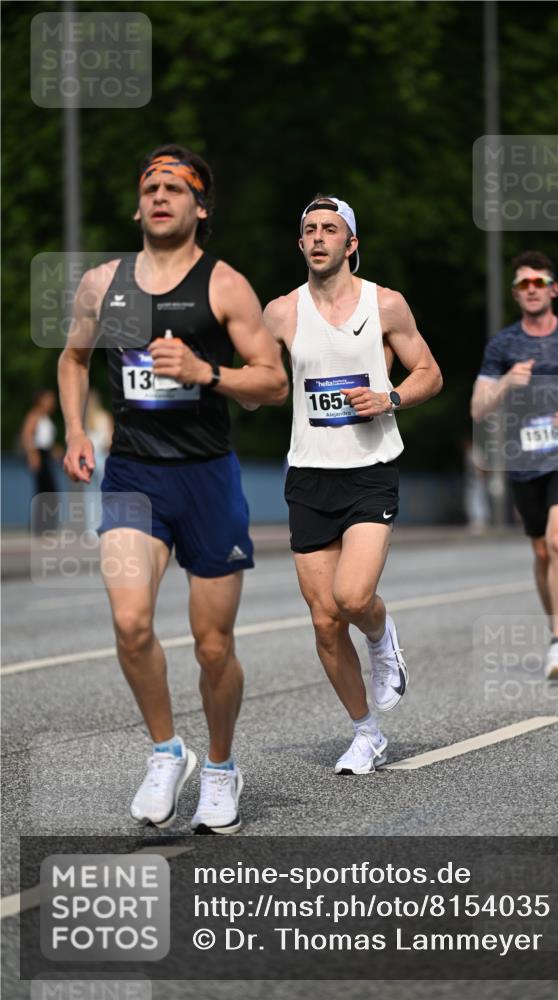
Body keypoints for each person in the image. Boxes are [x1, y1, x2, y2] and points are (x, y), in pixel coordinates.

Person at [58, 144, 288, 833]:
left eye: (176, 187)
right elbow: (72, 359)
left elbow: (272, 381)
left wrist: (203, 372)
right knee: (130, 625)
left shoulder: (225, 286)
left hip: (208, 477)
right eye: (150, 186)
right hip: (133, 474)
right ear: (138, 205)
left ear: (199, 207)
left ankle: (220, 766)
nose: (160, 195)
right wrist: (75, 430)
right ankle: (167, 752)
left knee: (212, 645)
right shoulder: (102, 284)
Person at [264, 194, 442, 774]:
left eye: (330, 229)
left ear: (351, 244)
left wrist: (388, 397)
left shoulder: (385, 304)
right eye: (309, 229)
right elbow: (263, 379)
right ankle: (366, 733)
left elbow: (430, 374)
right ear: (300, 243)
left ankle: (382, 635)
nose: (318, 237)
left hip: (370, 470)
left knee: (353, 598)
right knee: (322, 621)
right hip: (309, 474)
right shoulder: (281, 312)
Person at [470, 251, 558, 679]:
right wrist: (507, 383)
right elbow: (478, 408)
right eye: (523, 284)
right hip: (524, 457)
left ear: (553, 289)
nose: (531, 289)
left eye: (538, 281)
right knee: (540, 549)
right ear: (516, 293)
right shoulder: (504, 345)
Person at [21, 388, 59, 532]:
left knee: (49, 492)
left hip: (46, 455)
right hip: (38, 455)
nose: (52, 402)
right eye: (49, 399)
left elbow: (45, 441)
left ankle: (46, 525)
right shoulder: (34, 415)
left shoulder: (45, 418)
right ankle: (39, 526)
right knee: (44, 492)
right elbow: (27, 435)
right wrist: (32, 455)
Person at [82, 388, 114, 532]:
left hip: (87, 458)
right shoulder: (104, 417)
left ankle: (90, 530)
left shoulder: (84, 420)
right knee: (103, 493)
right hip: (101, 457)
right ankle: (103, 526)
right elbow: (110, 440)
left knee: (90, 495)